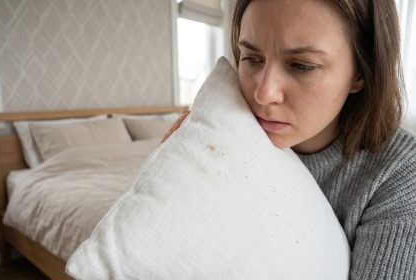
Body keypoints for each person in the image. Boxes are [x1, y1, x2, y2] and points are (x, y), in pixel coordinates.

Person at [169, 0, 416, 279]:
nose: (264, 94)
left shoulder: (399, 174)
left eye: (301, 65)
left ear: (361, 71)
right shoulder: (217, 135)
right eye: (251, 58)